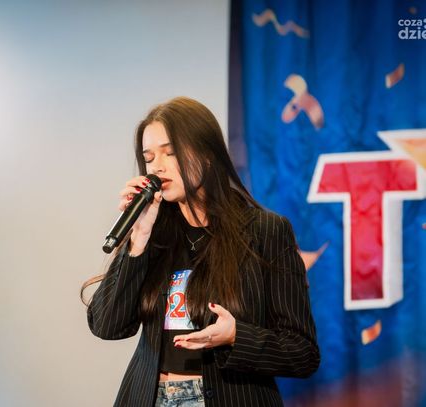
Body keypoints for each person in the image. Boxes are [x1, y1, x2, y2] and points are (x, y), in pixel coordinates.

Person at [82, 96, 320, 407]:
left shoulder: (266, 231)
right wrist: (137, 240)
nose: (157, 167)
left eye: (170, 152)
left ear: (207, 154)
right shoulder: (152, 235)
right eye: (149, 158)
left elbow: (302, 352)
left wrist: (236, 336)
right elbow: (107, 326)